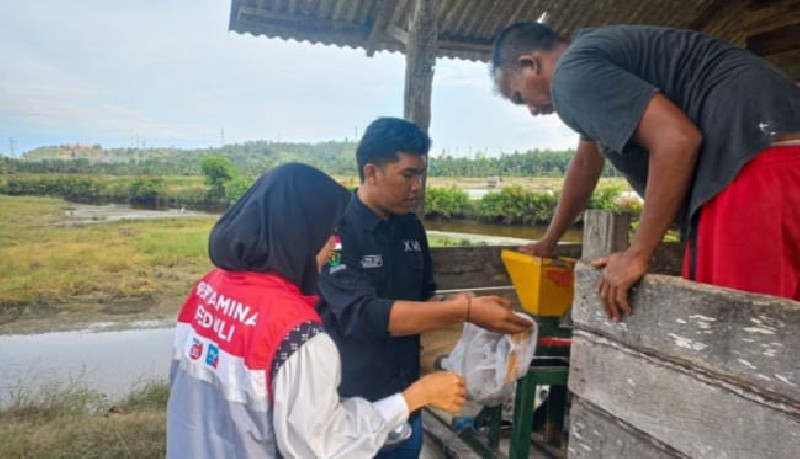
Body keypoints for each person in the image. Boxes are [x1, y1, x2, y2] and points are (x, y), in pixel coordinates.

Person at [491, 23, 800, 319]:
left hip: (756, 164)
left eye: (520, 97)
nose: (531, 110)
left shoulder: (570, 77)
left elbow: (677, 139)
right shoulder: (596, 59)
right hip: (775, 152)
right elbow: (586, 164)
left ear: (531, 64)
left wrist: (638, 253)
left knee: (744, 330)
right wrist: (550, 240)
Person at [166, 163, 467, 458]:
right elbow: (322, 447)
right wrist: (416, 397)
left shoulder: (209, 288)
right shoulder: (298, 335)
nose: (336, 245)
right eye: (328, 234)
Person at [317, 118, 534, 458]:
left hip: (410, 398)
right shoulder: (335, 233)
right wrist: (463, 310)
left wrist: (471, 307)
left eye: (421, 174)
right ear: (372, 172)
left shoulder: (410, 228)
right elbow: (361, 314)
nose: (418, 186)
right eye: (408, 174)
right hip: (349, 404)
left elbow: (424, 300)